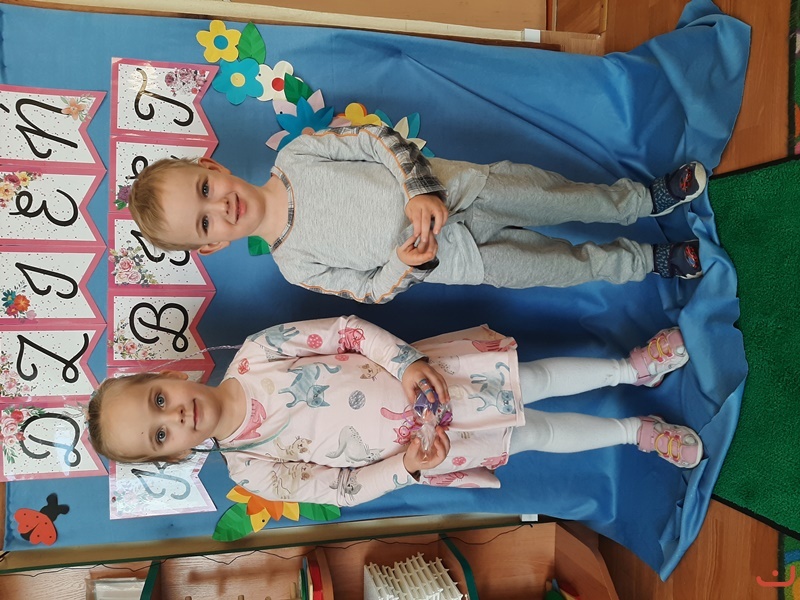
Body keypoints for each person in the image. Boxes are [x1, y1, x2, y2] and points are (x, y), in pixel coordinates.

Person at [88, 316, 703, 507]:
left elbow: (345, 332)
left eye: (159, 401)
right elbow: (344, 490)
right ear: (173, 455)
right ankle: (636, 433)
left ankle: (632, 369)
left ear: (168, 375)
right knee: (536, 435)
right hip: (430, 448)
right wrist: (409, 467)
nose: (175, 417)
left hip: (433, 379)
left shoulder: (255, 354)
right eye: (160, 435)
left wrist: (404, 362)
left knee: (534, 379)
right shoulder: (250, 470)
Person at [127, 125, 705, 304]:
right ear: (212, 246)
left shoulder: (296, 155)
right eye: (205, 222)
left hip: (468, 191)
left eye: (205, 189)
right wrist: (406, 264)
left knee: (565, 199)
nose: (220, 207)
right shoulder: (294, 266)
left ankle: (643, 199)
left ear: (213, 166)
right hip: (464, 260)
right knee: (564, 268)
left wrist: (418, 189)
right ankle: (649, 260)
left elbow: (377, 139)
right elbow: (370, 290)